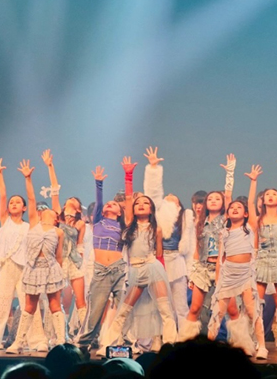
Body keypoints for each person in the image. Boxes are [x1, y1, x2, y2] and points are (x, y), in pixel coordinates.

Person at [102, 156, 177, 348]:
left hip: (153, 268)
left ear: (151, 209)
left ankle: (170, 344)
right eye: (138, 203)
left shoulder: (156, 228)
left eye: (145, 203)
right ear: (132, 209)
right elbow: (128, 198)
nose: (141, 204)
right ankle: (108, 344)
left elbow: (159, 254)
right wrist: (128, 175)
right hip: (136, 270)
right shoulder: (130, 224)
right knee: (124, 310)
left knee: (164, 309)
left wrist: (162, 273)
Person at [0, 158, 48, 352]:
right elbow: (2, 195)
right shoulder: (4, 221)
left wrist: (28, 179)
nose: (14, 204)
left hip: (25, 269)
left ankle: (37, 340)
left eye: (18, 202)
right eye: (12, 202)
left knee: (29, 305)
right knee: (1, 305)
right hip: (7, 267)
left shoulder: (29, 224)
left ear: (24, 208)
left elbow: (32, 200)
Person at [6, 159, 67, 353]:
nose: (45, 210)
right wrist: (28, 178)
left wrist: (59, 275)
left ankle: (61, 342)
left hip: (50, 269)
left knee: (54, 305)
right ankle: (19, 342)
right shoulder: (34, 223)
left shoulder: (58, 231)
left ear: (56, 217)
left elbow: (59, 257)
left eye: (51, 211)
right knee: (29, 306)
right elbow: (31, 200)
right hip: (33, 268)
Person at [178, 156, 234, 341]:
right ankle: (185, 342)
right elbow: (197, 249)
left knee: (231, 309)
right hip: (202, 268)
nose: (213, 201)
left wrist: (229, 173)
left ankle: (239, 343)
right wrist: (192, 273)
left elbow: (228, 196)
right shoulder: (199, 223)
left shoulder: (226, 219)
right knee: (195, 308)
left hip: (221, 268)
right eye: (210, 199)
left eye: (217, 198)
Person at [75, 165, 127, 356]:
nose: (109, 205)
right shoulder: (98, 222)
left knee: (124, 308)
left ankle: (123, 343)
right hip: (101, 270)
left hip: (119, 269)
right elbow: (99, 201)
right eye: (107, 204)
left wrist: (128, 176)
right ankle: (84, 343)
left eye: (114, 204)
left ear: (120, 212)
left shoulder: (123, 226)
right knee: (95, 310)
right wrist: (99, 183)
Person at [247, 153, 277, 345]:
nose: (270, 196)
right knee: (256, 305)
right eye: (267, 194)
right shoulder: (257, 220)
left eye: (274, 194)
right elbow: (250, 204)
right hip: (261, 263)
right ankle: (256, 342)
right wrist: (253, 182)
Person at [142, 147, 195, 329]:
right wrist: (153, 168)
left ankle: (184, 337)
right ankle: (162, 336)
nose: (170, 195)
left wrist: (190, 273)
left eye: (174, 197)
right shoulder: (159, 213)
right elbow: (153, 193)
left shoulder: (185, 217)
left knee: (180, 305)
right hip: (160, 261)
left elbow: (190, 248)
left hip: (178, 262)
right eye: (167, 196)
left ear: (179, 204)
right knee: (160, 304)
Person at [210, 196, 268, 359]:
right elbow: (220, 258)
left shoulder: (249, 228)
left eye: (239, 207)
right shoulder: (224, 233)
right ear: (227, 214)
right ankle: (207, 349)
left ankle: (262, 347)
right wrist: (218, 279)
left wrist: (253, 183)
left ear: (246, 214)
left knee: (252, 311)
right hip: (228, 274)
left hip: (245, 274)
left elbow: (250, 202)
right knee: (218, 313)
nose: (235, 209)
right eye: (232, 207)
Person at [41, 149, 87, 335]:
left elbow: (80, 245)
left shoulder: (80, 223)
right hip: (59, 261)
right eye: (69, 199)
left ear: (78, 208)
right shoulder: (58, 217)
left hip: (74, 261)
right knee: (56, 299)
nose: (71, 200)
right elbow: (54, 190)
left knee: (80, 300)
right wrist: (50, 166)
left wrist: (81, 261)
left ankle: (84, 335)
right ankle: (57, 335)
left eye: (74, 200)